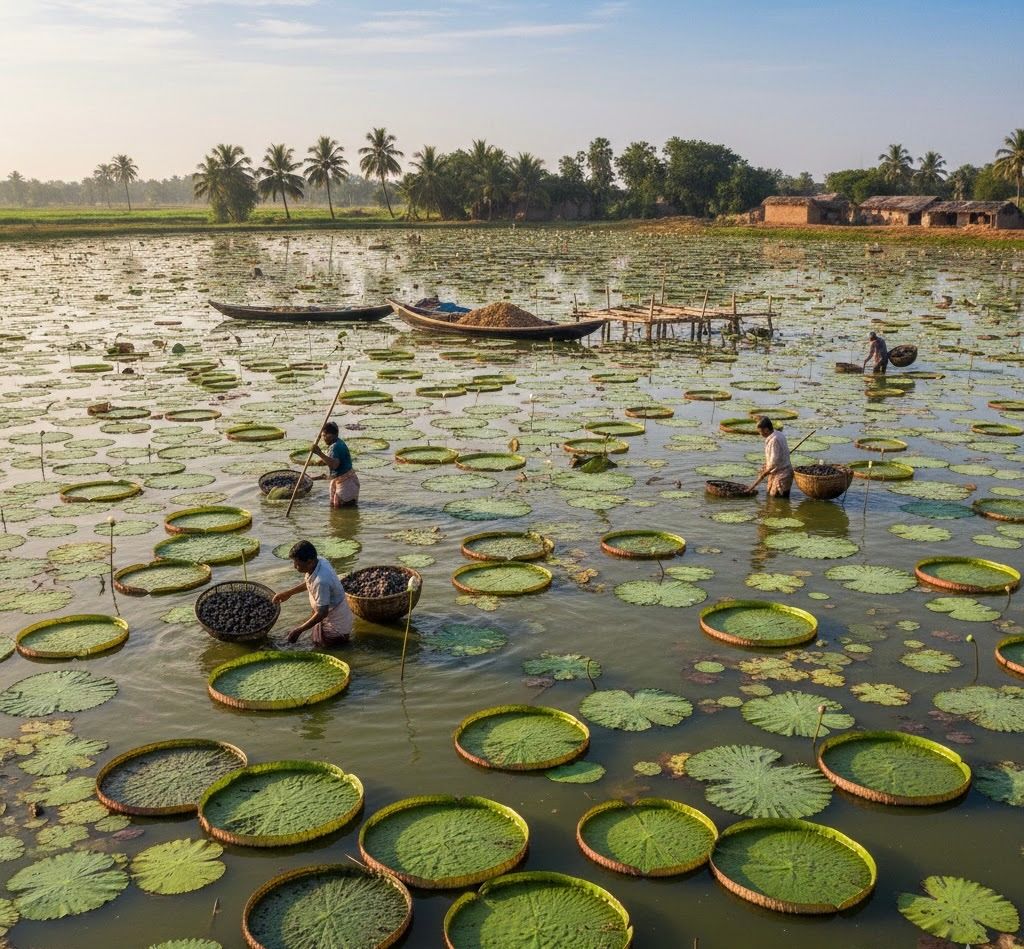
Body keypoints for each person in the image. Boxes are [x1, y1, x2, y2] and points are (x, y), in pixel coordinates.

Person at [273, 540, 353, 646]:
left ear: (309, 561)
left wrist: (299, 630)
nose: (294, 566)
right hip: (328, 612)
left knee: (328, 649)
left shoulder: (322, 581)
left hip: (334, 625)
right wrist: (289, 593)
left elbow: (322, 613)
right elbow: (309, 582)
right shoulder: (319, 561)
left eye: (297, 563)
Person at [312, 420, 359, 507]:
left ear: (331, 435)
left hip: (346, 482)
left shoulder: (335, 446)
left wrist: (319, 453)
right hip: (340, 480)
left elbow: (334, 465)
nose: (323, 438)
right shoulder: (337, 443)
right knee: (335, 508)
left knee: (341, 511)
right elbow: (333, 459)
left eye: (324, 436)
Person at [748, 417, 793, 498]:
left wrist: (764, 474)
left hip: (782, 474)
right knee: (771, 497)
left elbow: (774, 462)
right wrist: (765, 466)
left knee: (777, 500)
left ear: (766, 430)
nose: (760, 434)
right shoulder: (778, 433)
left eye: (760, 431)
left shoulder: (774, 440)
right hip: (778, 471)